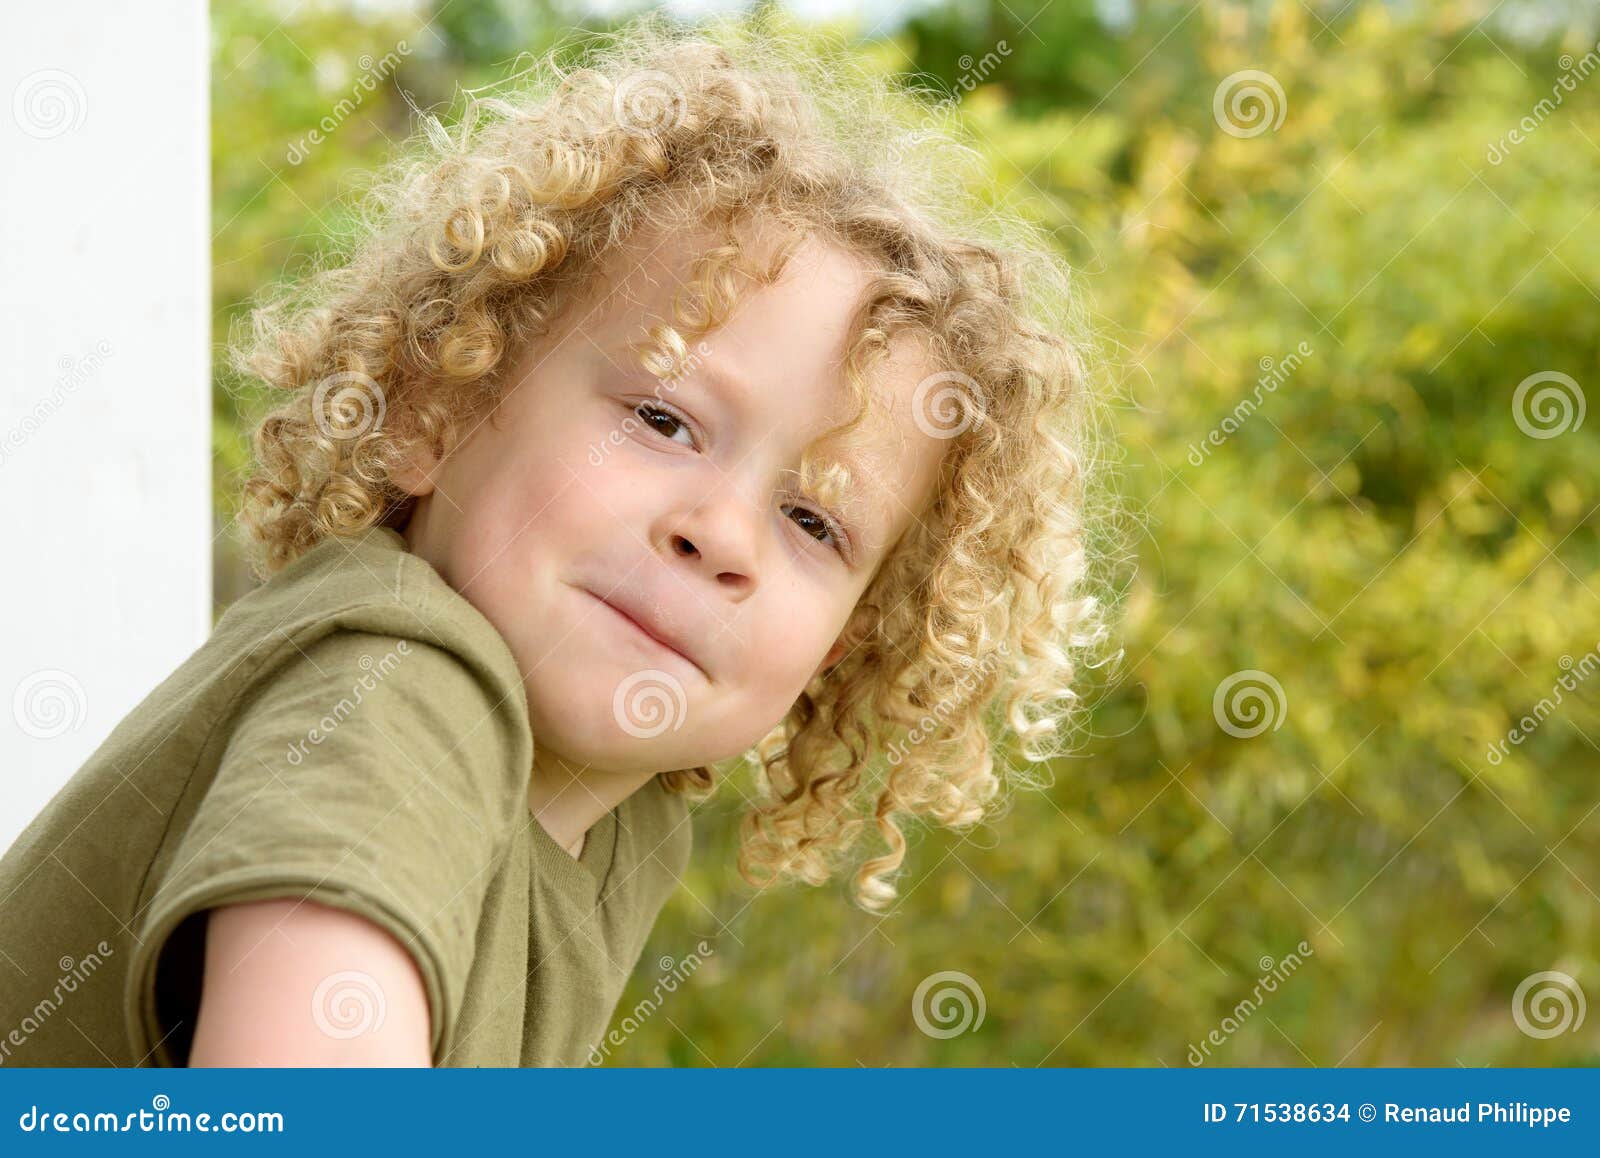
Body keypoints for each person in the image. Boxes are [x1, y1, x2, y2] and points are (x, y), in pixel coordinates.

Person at [0, 11, 1110, 1067]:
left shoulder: (615, 825)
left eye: (815, 521)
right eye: (664, 420)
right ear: (437, 406)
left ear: (846, 644)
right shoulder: (398, 690)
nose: (721, 534)